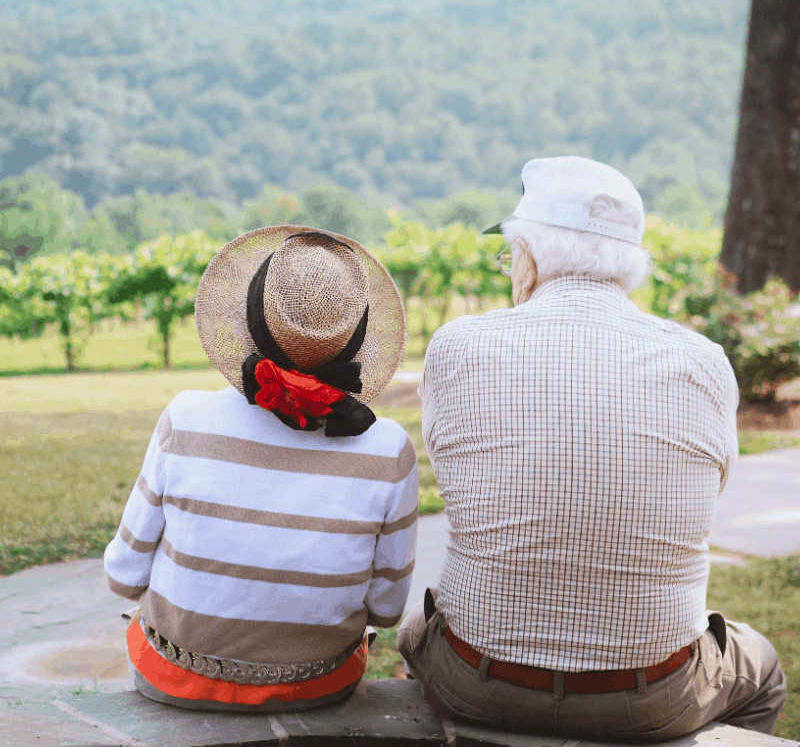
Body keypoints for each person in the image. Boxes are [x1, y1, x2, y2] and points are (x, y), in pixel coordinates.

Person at [397, 156, 787, 741]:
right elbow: (713, 484)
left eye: (510, 253)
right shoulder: (703, 360)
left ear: (528, 254)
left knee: (414, 630)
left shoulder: (459, 345)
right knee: (764, 669)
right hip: (655, 695)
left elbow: (457, 473)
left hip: (476, 682)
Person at [105, 226, 418, 712]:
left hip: (174, 675)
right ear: (355, 339)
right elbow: (388, 610)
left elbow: (124, 575)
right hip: (318, 686)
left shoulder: (186, 418)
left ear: (250, 320)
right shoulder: (388, 448)